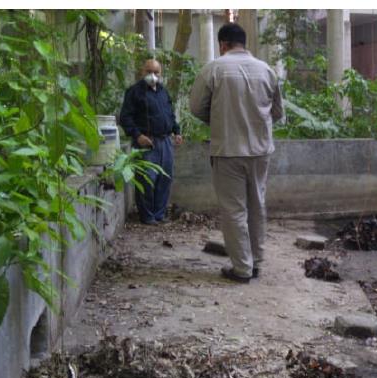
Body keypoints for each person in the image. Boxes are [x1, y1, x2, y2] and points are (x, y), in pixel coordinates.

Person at [188, 23, 284, 284]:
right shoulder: (267, 70)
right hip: (261, 151)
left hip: (228, 149)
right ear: (244, 42)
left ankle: (242, 268)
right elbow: (277, 113)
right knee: (257, 204)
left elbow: (196, 108)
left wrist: (221, 119)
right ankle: (256, 261)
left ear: (222, 44)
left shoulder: (214, 69)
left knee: (234, 210)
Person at [118, 58, 184, 225]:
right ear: (142, 72)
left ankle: (159, 215)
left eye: (156, 72)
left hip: (165, 141)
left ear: (160, 74)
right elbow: (125, 117)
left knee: (165, 179)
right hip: (146, 142)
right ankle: (147, 216)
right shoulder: (134, 92)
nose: (152, 75)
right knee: (147, 179)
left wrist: (177, 131)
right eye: (149, 71)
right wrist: (137, 135)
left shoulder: (163, 91)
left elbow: (170, 114)